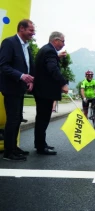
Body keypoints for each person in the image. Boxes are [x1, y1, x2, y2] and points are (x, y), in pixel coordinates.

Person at [0, 19, 35, 161]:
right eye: (31, 30)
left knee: (18, 118)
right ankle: (9, 152)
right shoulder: (9, 43)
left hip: (20, 88)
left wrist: (30, 80)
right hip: (10, 87)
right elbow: (3, 65)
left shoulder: (26, 46)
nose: (33, 33)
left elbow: (28, 65)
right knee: (12, 119)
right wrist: (21, 76)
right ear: (21, 28)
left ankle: (13, 147)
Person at [33, 31, 69, 155]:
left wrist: (57, 57)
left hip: (41, 90)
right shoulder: (50, 51)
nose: (64, 44)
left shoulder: (47, 50)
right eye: (63, 41)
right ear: (56, 40)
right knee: (43, 119)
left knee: (41, 119)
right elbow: (52, 68)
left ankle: (41, 144)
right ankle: (41, 147)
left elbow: (46, 64)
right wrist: (63, 83)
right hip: (45, 92)